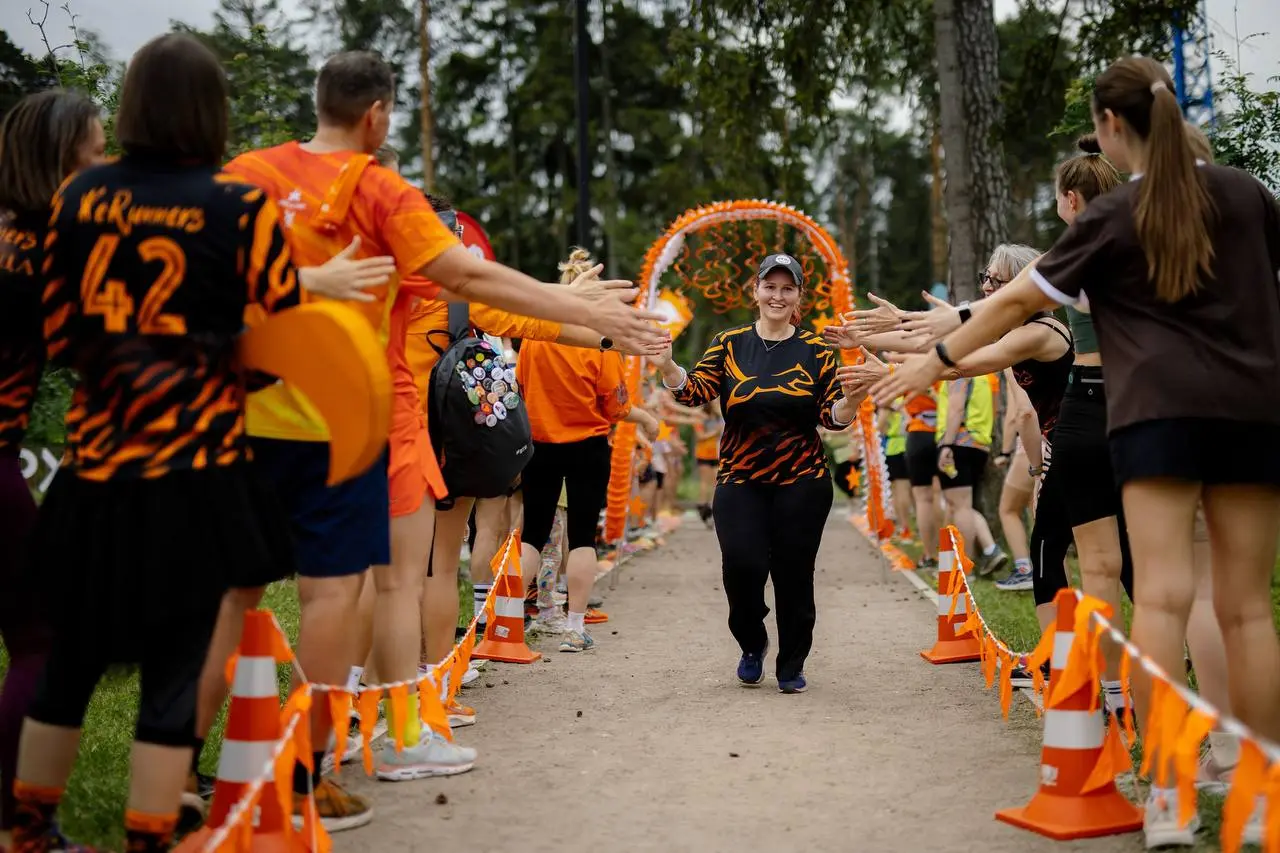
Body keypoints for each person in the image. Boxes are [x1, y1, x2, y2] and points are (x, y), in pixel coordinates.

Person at [199, 50, 666, 816]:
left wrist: (587, 317)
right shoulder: (382, 200)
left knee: (246, 594)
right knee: (366, 588)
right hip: (369, 425)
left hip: (258, 413)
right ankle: (338, 755)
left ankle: (185, 774)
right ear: (377, 115)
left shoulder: (248, 173)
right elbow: (481, 287)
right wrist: (587, 310)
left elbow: (206, 274)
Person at [873, 56, 1277, 848]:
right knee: (1247, 608)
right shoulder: (1246, 194)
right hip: (1254, 415)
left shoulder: (1112, 215)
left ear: (1110, 126)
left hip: (1156, 416)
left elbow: (1018, 301)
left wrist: (935, 359)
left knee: (1159, 600)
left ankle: (1168, 794)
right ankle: (1264, 796)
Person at [9, 35, 394, 853]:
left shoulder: (78, 197)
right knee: (175, 668)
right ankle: (153, 836)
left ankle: (27, 830)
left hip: (94, 467)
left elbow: (58, 334)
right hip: (195, 473)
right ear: (211, 110)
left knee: (70, 660)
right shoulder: (239, 208)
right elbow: (276, 340)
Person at [653, 253, 866, 693]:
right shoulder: (730, 343)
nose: (777, 296)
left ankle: (792, 663)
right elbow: (694, 392)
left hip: (802, 480)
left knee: (794, 574)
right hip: (740, 479)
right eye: (770, 286)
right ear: (756, 291)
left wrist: (853, 400)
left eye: (788, 288)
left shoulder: (816, 350)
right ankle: (752, 644)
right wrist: (667, 365)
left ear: (799, 296)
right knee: (741, 567)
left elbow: (831, 416)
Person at [0, 89, 107, 853]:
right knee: (40, 635)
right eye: (96, 152)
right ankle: (21, 821)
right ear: (64, 159)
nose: (104, 167)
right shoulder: (48, 247)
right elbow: (89, 351)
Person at [516, 248, 660, 653]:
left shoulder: (534, 337)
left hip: (539, 445)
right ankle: (574, 628)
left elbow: (521, 386)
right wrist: (644, 418)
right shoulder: (599, 343)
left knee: (532, 535)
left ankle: (506, 624)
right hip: (587, 447)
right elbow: (615, 406)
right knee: (582, 538)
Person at [693, 401, 724, 526]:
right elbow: (700, 436)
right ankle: (702, 505)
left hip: (716, 453)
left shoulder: (718, 417)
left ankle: (711, 507)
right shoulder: (700, 417)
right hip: (703, 453)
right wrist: (715, 433)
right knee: (705, 481)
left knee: (715, 481)